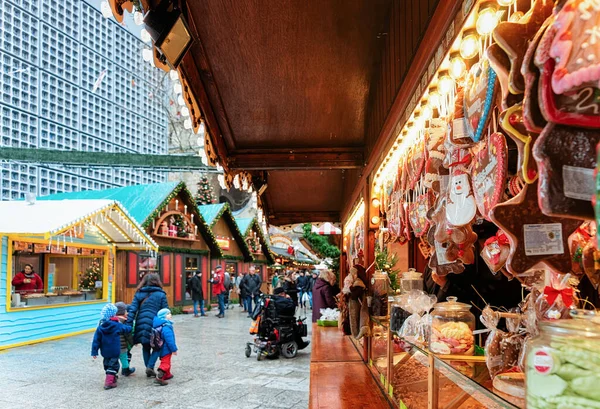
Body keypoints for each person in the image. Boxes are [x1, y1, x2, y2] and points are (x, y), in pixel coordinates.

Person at [126, 273, 168, 378]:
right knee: (157, 346)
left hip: (141, 322)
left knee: (145, 346)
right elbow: (165, 312)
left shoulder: (139, 293)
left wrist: (129, 324)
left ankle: (148, 368)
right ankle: (150, 366)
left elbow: (132, 310)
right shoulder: (161, 294)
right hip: (155, 323)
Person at [91, 303, 132, 390]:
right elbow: (127, 329)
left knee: (107, 364)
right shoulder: (116, 325)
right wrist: (130, 326)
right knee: (113, 366)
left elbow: (96, 340)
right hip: (114, 350)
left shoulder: (100, 327)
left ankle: (111, 377)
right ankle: (109, 382)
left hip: (105, 351)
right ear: (113, 314)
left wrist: (94, 352)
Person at [153, 308, 178, 386]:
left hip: (161, 348)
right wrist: (174, 349)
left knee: (166, 361)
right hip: (166, 348)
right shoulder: (166, 327)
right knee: (165, 363)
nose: (170, 315)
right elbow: (170, 340)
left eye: (170, 313)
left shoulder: (160, 324)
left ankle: (167, 374)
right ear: (163, 316)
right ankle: (159, 376)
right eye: (168, 314)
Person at [114, 302, 135, 376]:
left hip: (113, 345)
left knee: (114, 359)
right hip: (123, 345)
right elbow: (128, 334)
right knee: (124, 357)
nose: (127, 313)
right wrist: (132, 342)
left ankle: (112, 372)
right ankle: (126, 370)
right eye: (126, 311)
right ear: (122, 312)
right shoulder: (124, 322)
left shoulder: (112, 320)